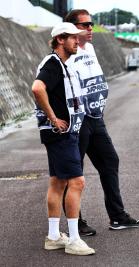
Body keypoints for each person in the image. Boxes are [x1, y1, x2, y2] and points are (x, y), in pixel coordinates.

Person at [63, 9, 139, 234]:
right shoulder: (65, 54)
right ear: (71, 29)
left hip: (96, 118)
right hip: (77, 120)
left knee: (110, 161)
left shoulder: (90, 47)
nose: (90, 28)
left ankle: (117, 216)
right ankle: (74, 224)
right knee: (74, 172)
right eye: (85, 25)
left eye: (91, 24)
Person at [32, 22, 95, 255]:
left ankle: (53, 236)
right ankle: (74, 240)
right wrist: (53, 118)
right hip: (61, 132)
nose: (78, 41)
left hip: (62, 132)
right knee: (77, 182)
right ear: (60, 39)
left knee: (58, 182)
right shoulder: (53, 64)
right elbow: (37, 88)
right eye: (73, 38)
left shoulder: (61, 63)